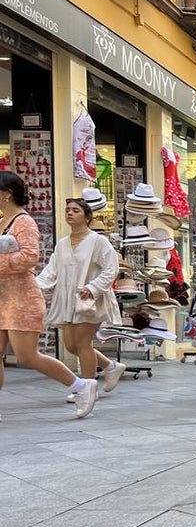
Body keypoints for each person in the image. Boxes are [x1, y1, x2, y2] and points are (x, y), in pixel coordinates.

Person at [0, 174, 100, 419]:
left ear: (6, 193)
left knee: (27, 355)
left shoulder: (24, 222)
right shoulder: (3, 222)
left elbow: (30, 257)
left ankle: (81, 385)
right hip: (4, 298)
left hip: (22, 299)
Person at [37, 198, 127, 403]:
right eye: (67, 210)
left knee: (82, 342)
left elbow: (111, 268)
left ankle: (87, 388)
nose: (69, 213)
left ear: (87, 217)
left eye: (75, 210)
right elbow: (51, 271)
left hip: (91, 300)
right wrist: (33, 285)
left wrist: (93, 287)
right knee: (71, 346)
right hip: (68, 300)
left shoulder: (98, 241)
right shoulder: (62, 244)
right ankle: (110, 367)